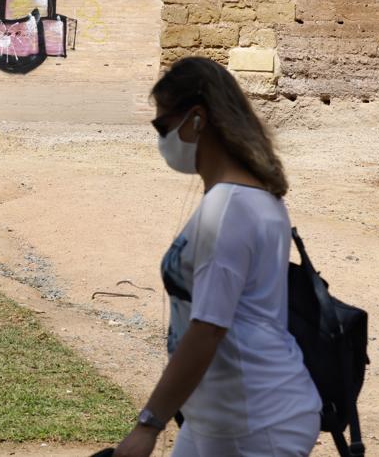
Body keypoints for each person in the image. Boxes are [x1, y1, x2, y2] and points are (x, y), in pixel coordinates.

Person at [113, 57, 322, 457]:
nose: (160, 138)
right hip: (221, 419)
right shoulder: (253, 195)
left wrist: (149, 424)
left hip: (254, 425)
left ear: (196, 119)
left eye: (162, 125)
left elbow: (208, 328)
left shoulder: (229, 209)